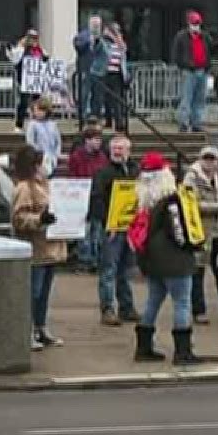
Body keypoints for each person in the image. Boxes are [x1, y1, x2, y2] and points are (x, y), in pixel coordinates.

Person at [131, 152, 200, 366]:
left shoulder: (143, 202)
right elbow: (178, 231)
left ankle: (143, 347)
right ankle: (182, 351)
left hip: (152, 257)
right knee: (182, 303)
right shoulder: (171, 200)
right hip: (174, 258)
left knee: (153, 300)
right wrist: (193, 245)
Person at [10, 145, 65, 352]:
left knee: (44, 293)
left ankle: (41, 328)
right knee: (32, 293)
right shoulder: (24, 188)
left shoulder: (46, 185)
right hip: (34, 249)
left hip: (50, 247)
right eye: (40, 164)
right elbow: (18, 218)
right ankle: (27, 330)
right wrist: (40, 219)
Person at [91, 134, 140, 326]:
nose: (117, 152)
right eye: (114, 148)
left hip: (130, 226)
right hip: (111, 228)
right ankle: (108, 309)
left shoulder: (135, 171)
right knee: (109, 269)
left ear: (128, 150)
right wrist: (107, 223)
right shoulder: (103, 173)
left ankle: (126, 307)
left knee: (125, 270)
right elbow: (97, 200)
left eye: (121, 148)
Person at [183, 145, 218, 327]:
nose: (209, 162)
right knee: (198, 271)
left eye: (212, 158)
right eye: (206, 158)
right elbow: (192, 204)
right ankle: (199, 310)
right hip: (200, 231)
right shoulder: (191, 177)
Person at [65, 123, 108, 272]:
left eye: (99, 140)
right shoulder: (77, 156)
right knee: (85, 231)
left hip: (97, 197)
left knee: (96, 231)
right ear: (87, 140)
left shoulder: (102, 157)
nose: (98, 142)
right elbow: (73, 174)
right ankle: (84, 260)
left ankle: (95, 259)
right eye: (95, 139)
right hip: (82, 196)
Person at [169, 10, 218, 133]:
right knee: (186, 98)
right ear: (189, 23)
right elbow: (176, 53)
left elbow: (212, 49)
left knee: (200, 99)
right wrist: (183, 65)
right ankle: (184, 123)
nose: (196, 26)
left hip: (203, 69)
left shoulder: (205, 36)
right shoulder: (181, 36)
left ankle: (197, 123)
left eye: (197, 24)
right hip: (189, 71)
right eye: (194, 23)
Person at [73, 13, 107, 123]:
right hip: (85, 69)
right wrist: (89, 41)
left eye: (98, 24)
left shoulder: (103, 37)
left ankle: (95, 115)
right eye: (94, 24)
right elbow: (78, 45)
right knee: (84, 93)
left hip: (98, 71)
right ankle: (83, 116)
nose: (96, 26)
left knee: (97, 95)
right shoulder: (83, 35)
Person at [99, 21, 131, 132]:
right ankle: (108, 120)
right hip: (106, 73)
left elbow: (123, 56)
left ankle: (119, 122)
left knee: (116, 98)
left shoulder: (119, 43)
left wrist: (117, 38)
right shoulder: (104, 43)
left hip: (116, 74)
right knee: (106, 98)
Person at [11, 30, 46, 128]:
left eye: (35, 38)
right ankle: (19, 124)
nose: (33, 40)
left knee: (37, 101)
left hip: (36, 80)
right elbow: (15, 60)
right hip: (24, 80)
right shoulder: (21, 49)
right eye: (31, 38)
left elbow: (45, 61)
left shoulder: (39, 50)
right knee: (23, 101)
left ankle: (37, 121)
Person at [23, 97, 62, 176]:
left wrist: (56, 154)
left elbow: (58, 141)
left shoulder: (53, 124)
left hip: (52, 158)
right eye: (35, 110)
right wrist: (39, 155)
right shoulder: (32, 125)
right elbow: (30, 142)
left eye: (40, 110)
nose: (37, 112)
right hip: (39, 158)